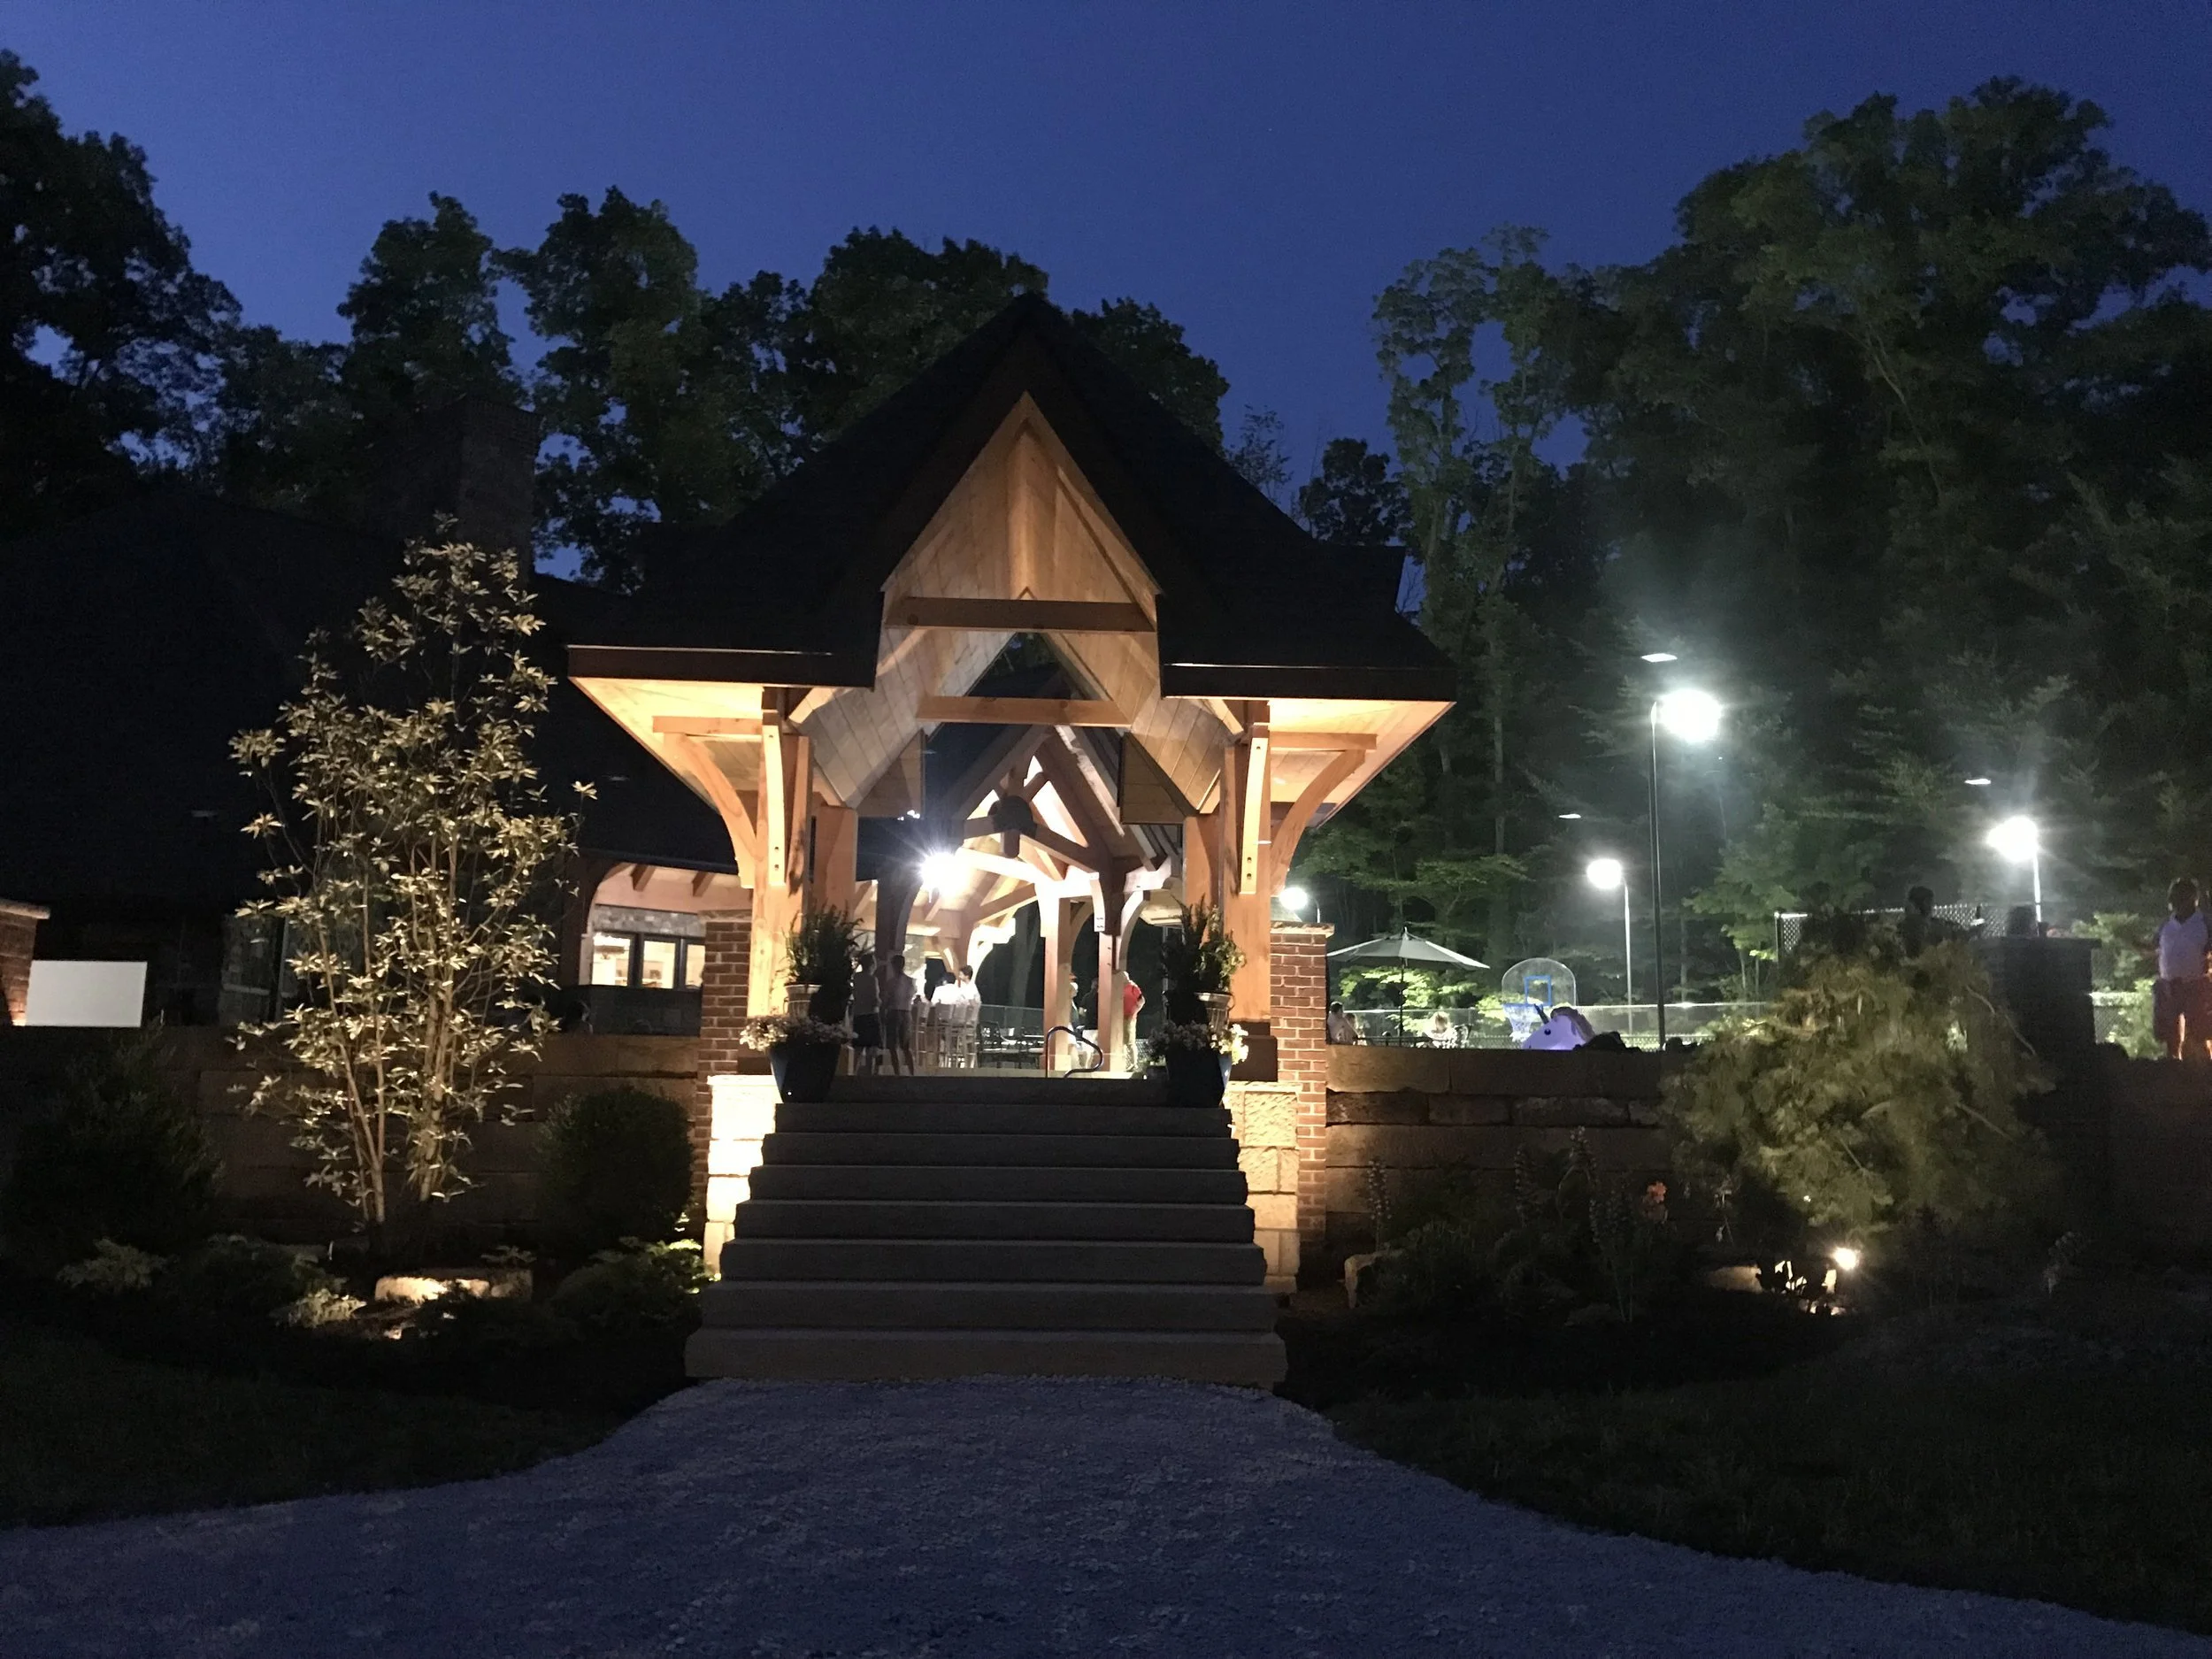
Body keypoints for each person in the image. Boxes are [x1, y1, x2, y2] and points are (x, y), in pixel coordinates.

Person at [2155, 879, 2212, 1062]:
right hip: (2168, 987)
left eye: (2182, 897)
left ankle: (2202, 1073)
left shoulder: (2204, 922)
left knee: (2198, 1034)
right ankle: (2173, 1069)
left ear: (2193, 899)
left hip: (2196, 986)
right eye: (2176, 897)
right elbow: (2152, 946)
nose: (2178, 902)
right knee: (2170, 1036)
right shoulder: (2166, 925)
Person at [879, 950, 919, 1076]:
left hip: (894, 1012)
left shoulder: (891, 982)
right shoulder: (911, 982)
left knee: (892, 1045)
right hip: (907, 1013)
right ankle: (912, 1072)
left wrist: (882, 1011)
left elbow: (888, 999)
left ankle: (897, 1073)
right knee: (905, 1045)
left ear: (893, 966)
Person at [849, 949, 881, 1075]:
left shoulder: (856, 978)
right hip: (871, 1014)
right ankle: (869, 1075)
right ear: (872, 965)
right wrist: (880, 1002)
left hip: (858, 1014)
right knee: (871, 1049)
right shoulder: (872, 979)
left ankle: (853, 1073)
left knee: (858, 1047)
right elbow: (875, 999)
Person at [1121, 976, 1146, 1070]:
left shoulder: (1133, 987)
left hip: (1129, 1018)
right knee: (1122, 1041)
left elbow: (1142, 1000)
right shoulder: (1120, 988)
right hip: (1121, 1017)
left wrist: (1134, 1011)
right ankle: (1125, 1063)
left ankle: (1133, 1063)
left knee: (1130, 1041)